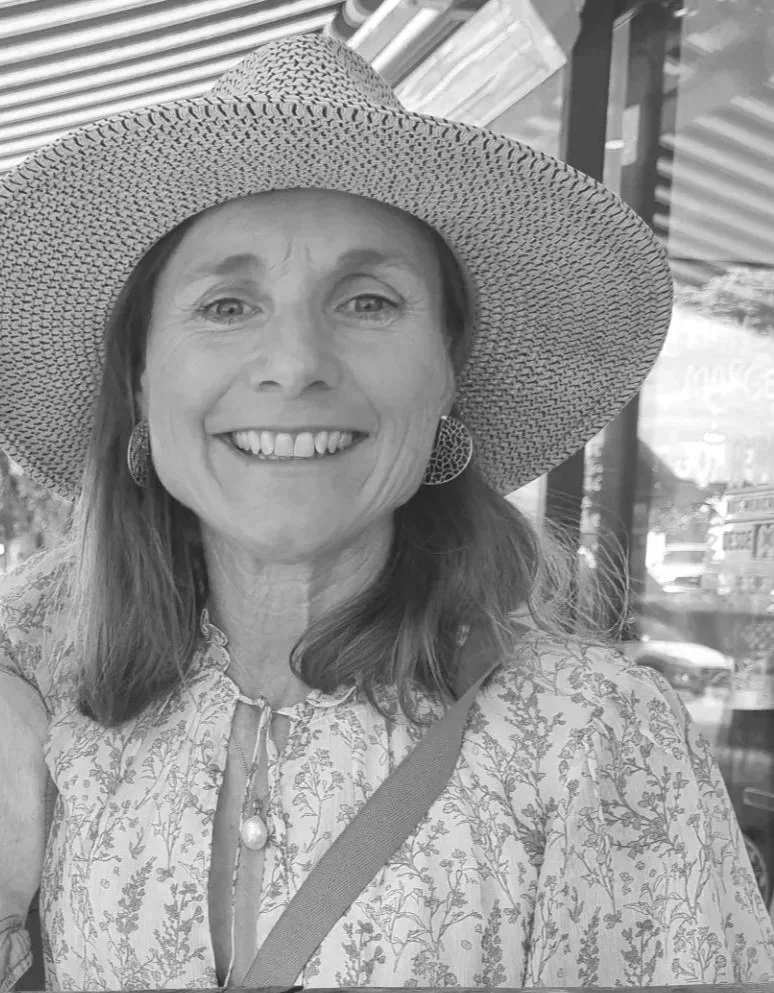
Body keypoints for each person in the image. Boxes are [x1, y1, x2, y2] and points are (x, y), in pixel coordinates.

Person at [0, 31, 772, 993]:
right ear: (141, 380)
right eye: (227, 305)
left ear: (448, 372)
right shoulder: (74, 705)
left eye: (367, 301)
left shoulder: (599, 742)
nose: (295, 363)